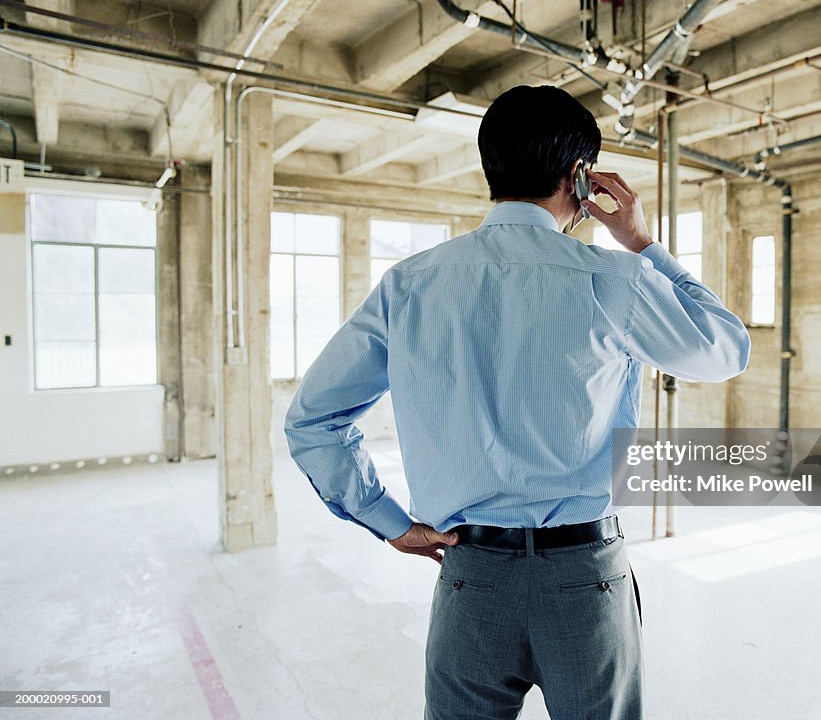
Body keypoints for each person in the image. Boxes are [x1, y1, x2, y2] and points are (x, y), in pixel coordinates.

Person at [284, 84, 750, 720]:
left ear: (490, 168)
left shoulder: (410, 284)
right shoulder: (615, 279)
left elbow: (314, 418)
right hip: (583, 577)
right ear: (580, 178)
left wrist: (388, 520)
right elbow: (725, 350)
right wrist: (642, 244)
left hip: (471, 573)